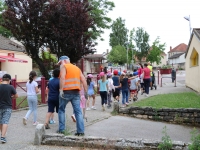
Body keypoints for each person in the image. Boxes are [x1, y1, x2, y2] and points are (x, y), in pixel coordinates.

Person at [58, 56, 87, 136]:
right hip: (76, 92)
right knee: (78, 112)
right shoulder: (77, 68)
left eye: (60, 62)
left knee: (61, 110)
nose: (60, 64)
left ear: (63, 61)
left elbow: (63, 78)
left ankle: (61, 130)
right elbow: (83, 80)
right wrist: (85, 92)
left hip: (66, 92)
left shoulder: (64, 66)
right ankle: (80, 131)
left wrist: (61, 90)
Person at [0, 74, 18, 143]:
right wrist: (11, 98)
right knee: (5, 121)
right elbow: (16, 95)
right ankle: (3, 137)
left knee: (1, 121)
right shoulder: (10, 87)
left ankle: (2, 134)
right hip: (7, 107)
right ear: (9, 80)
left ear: (2, 79)